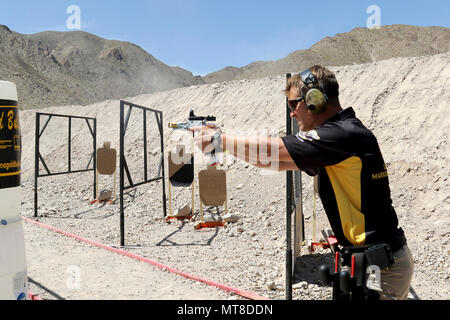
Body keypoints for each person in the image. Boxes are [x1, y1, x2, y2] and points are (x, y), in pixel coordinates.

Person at [191, 65, 414, 300]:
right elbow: (269, 159)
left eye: (293, 104)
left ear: (314, 100)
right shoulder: (343, 134)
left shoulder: (342, 135)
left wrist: (219, 140)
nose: (291, 113)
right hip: (373, 262)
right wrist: (222, 140)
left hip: (380, 268)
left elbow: (272, 155)